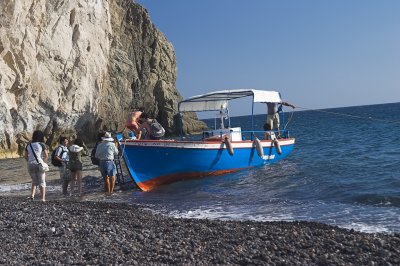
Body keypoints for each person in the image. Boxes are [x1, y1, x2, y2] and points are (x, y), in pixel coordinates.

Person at [25, 130, 48, 202]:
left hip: (30, 164)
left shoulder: (28, 145)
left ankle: (32, 196)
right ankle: (42, 198)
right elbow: (46, 155)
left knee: (34, 181)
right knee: (42, 182)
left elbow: (26, 156)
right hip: (39, 164)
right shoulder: (42, 144)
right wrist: (43, 162)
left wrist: (30, 161)